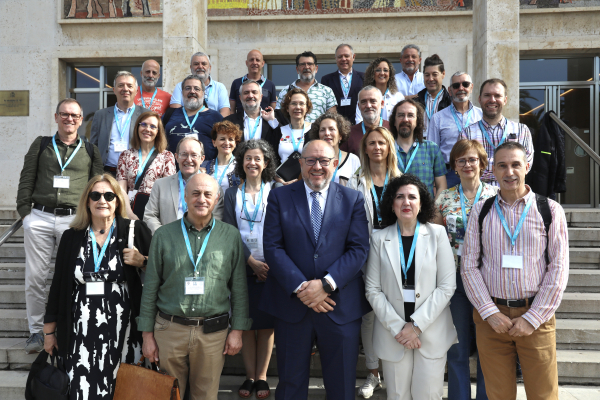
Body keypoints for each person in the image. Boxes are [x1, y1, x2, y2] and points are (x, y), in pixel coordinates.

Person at [261, 140, 371, 400]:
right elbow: (273, 247)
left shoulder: (353, 199)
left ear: (335, 163)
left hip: (339, 305)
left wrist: (325, 285)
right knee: (290, 385)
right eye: (310, 160)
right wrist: (302, 288)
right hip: (292, 307)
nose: (317, 166)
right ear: (300, 163)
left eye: (324, 161)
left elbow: (358, 249)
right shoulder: (279, 196)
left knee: (342, 386)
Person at [461, 142, 569, 400]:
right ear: (493, 171)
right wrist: (489, 312)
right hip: (491, 319)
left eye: (515, 165)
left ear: (527, 167)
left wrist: (533, 318)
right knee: (498, 395)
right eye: (502, 166)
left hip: (536, 317)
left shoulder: (550, 210)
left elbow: (558, 268)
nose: (509, 172)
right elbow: (468, 265)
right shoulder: (482, 209)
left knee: (543, 394)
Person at [139, 173, 251, 400]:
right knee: (169, 395)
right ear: (185, 197)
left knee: (205, 396)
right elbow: (150, 288)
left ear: (217, 198)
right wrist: (147, 335)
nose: (202, 199)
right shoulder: (163, 235)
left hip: (212, 334)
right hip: (169, 331)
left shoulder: (230, 236)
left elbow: (239, 287)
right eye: (196, 193)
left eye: (208, 194)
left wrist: (237, 330)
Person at [43, 174, 152, 399]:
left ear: (118, 201)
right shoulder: (71, 237)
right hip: (79, 331)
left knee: (123, 387)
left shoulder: (134, 230)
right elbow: (58, 286)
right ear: (87, 201)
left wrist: (143, 262)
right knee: (82, 389)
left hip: (124, 330)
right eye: (95, 195)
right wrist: (49, 332)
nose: (102, 200)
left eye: (109, 195)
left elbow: (161, 273)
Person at [16, 98, 104, 354]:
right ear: (56, 117)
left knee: (72, 275)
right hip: (40, 218)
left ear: (80, 119)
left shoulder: (90, 149)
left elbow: (97, 186)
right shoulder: (41, 144)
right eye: (64, 114)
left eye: (75, 115)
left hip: (74, 220)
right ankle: (35, 331)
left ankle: (69, 325)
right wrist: (25, 215)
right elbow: (26, 178)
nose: (69, 119)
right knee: (35, 277)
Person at [365, 174, 457, 400]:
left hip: (431, 331)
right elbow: (372, 290)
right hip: (392, 333)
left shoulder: (437, 234)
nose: (406, 202)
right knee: (397, 395)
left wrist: (416, 326)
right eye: (400, 197)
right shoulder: (379, 238)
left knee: (428, 395)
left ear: (421, 203)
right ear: (392, 203)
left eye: (412, 197)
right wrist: (400, 328)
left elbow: (447, 286)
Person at [433, 140, 498, 400]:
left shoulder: (496, 195)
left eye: (472, 159)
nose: (467, 164)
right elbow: (435, 240)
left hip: (488, 280)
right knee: (457, 347)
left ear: (482, 164)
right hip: (456, 279)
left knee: (487, 347)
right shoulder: (444, 197)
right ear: (455, 167)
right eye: (461, 160)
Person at [347, 126, 401, 398]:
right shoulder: (355, 180)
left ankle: (394, 371)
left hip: (396, 255)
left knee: (394, 313)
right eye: (372, 143)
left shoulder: (401, 180)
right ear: (365, 148)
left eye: (382, 143)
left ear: (389, 147)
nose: (377, 147)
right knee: (369, 318)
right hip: (366, 256)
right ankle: (372, 372)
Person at [222, 139, 278, 400]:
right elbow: (231, 232)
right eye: (248, 158)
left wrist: (267, 263)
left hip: (271, 267)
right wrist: (250, 262)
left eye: (258, 158)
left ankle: (263, 376)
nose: (252, 162)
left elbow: (281, 230)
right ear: (241, 162)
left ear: (266, 163)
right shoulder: (232, 193)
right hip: (243, 265)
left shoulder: (276, 191)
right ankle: (250, 375)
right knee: (244, 323)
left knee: (266, 325)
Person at [460, 78, 534, 187]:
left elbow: (525, 166)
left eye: (497, 96)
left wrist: (481, 167)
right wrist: (507, 168)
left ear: (505, 100)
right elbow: (466, 167)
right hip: (479, 199)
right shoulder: (467, 134)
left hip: (512, 197)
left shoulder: (522, 130)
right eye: (487, 95)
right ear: (480, 99)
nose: (492, 100)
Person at [144, 136, 224, 234]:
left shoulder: (214, 187)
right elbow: (149, 215)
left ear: (202, 159)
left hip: (201, 245)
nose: (189, 160)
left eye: (194, 155)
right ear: (176, 157)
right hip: (168, 243)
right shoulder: (160, 185)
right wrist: (163, 236)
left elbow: (217, 219)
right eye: (184, 154)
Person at [116, 110, 176, 220]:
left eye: (153, 126)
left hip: (156, 213)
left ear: (158, 131)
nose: (147, 129)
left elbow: (168, 190)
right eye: (143, 124)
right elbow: (121, 188)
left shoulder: (167, 156)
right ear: (137, 128)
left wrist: (153, 216)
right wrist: (130, 215)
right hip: (129, 211)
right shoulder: (125, 155)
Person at [427, 72, 482, 188]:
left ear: (471, 87)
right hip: (448, 174)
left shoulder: (482, 116)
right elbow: (432, 152)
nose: (461, 88)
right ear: (450, 90)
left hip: (477, 172)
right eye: (456, 86)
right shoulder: (438, 118)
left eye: (465, 84)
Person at [90, 71, 149, 175]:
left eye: (129, 86)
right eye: (120, 85)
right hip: (107, 173)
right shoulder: (100, 115)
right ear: (114, 90)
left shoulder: (146, 115)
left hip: (136, 174)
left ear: (136, 90)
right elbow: (93, 147)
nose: (125, 89)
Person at [390, 99, 447, 199]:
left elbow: (441, 186)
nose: (405, 119)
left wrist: (434, 211)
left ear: (417, 121)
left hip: (425, 212)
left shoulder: (432, 149)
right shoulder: (386, 149)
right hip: (392, 211)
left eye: (410, 115)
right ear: (394, 121)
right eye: (401, 115)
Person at [163, 74, 223, 160]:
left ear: (203, 93)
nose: (192, 91)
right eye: (187, 88)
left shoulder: (216, 117)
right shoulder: (169, 115)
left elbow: (224, 147)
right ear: (182, 92)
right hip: (173, 172)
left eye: (196, 88)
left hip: (205, 172)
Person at [276, 51, 337, 123]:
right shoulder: (286, 91)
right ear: (297, 69)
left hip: (318, 134)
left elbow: (332, 119)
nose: (306, 67)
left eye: (310, 64)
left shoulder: (327, 91)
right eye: (302, 64)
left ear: (316, 68)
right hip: (292, 133)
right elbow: (278, 117)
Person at [224, 79, 281, 151]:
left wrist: (272, 121)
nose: (250, 96)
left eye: (254, 92)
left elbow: (281, 142)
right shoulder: (229, 122)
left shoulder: (273, 121)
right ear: (240, 98)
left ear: (261, 97)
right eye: (246, 93)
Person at [169, 52, 231, 117]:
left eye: (204, 64)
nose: (200, 66)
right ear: (191, 67)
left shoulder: (220, 87)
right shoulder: (180, 86)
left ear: (210, 68)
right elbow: (175, 111)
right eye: (196, 64)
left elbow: (225, 112)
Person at [272, 88, 313, 185]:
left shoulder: (315, 131)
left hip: (309, 182)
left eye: (302, 104)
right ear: (287, 108)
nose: (297, 107)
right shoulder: (279, 131)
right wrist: (280, 181)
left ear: (307, 108)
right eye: (293, 103)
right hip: (282, 183)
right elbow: (271, 161)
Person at [308, 112, 360, 186]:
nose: (327, 133)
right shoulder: (310, 160)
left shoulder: (353, 160)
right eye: (322, 130)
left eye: (331, 129)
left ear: (340, 135)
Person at [321, 44, 365, 124]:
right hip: (336, 127)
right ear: (336, 59)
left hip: (358, 126)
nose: (343, 59)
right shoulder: (326, 80)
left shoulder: (364, 78)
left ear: (353, 57)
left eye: (346, 56)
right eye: (340, 56)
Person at [341, 86, 391, 156]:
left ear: (382, 104)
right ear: (359, 106)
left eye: (373, 101)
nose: (368, 105)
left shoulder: (393, 128)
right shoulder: (349, 134)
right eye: (363, 102)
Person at [355, 57, 404, 124]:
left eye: (385, 70)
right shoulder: (364, 96)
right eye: (378, 70)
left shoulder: (398, 97)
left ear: (390, 74)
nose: (382, 73)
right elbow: (359, 121)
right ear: (372, 74)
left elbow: (401, 120)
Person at [229, 50, 277, 114]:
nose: (254, 63)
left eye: (257, 60)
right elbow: (232, 110)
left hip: (263, 123)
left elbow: (272, 111)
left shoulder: (270, 85)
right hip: (240, 123)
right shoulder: (236, 83)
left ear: (262, 63)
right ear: (246, 63)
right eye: (251, 60)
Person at [414, 54, 451, 135]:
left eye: (435, 74)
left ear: (443, 74)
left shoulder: (451, 102)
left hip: (442, 146)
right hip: (420, 145)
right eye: (427, 75)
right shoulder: (415, 102)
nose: (430, 79)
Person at [203, 121, 242, 192]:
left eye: (230, 139)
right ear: (214, 142)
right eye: (222, 139)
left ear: (235, 143)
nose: (227, 143)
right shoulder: (203, 166)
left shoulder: (242, 166)